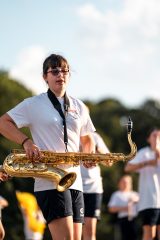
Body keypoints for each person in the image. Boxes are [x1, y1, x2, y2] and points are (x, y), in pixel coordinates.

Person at [0, 53, 96, 240]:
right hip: (50, 182)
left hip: (75, 182)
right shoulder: (34, 104)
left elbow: (87, 138)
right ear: (45, 77)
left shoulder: (80, 106)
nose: (60, 74)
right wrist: (26, 142)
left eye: (64, 71)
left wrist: (89, 152)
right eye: (54, 71)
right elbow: (3, 122)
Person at [125, 127, 160, 240]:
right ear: (148, 139)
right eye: (154, 135)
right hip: (149, 200)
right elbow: (128, 168)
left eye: (159, 136)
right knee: (150, 234)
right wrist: (146, 163)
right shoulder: (143, 153)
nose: (157, 138)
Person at [80, 131, 109, 240]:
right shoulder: (69, 134)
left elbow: (109, 162)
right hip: (74, 185)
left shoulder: (96, 137)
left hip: (93, 187)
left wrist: (99, 152)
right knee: (74, 231)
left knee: (90, 232)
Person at [108, 175, 139, 240]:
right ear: (120, 183)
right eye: (124, 182)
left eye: (127, 182)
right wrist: (125, 208)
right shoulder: (116, 194)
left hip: (135, 220)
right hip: (123, 220)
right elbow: (111, 208)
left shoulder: (135, 194)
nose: (126, 184)